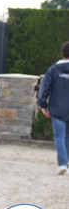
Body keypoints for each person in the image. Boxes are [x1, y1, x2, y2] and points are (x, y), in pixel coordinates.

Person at [38, 41, 69, 175]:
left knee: (59, 136)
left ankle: (62, 164)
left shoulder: (54, 69)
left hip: (57, 109)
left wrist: (42, 104)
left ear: (63, 54)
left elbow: (45, 88)